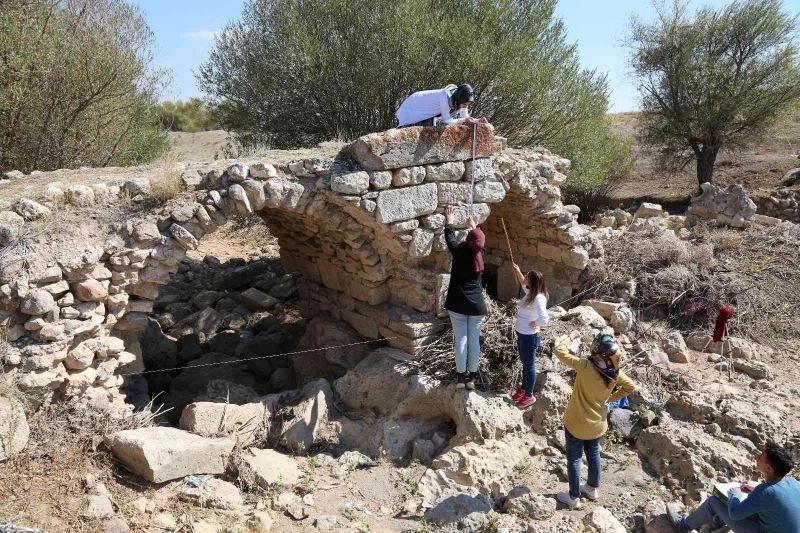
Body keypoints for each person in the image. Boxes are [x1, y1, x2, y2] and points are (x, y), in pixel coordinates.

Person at [553, 331, 637, 509]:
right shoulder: (615, 373)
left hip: (576, 423)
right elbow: (630, 386)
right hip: (598, 424)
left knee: (574, 459)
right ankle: (592, 489)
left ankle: (574, 497)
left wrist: (572, 336)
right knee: (593, 455)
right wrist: (611, 399)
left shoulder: (585, 366)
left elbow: (559, 352)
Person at [667, 443, 800, 533]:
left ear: (769, 468)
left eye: (760, 457)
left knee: (714, 502)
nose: (757, 457)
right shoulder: (793, 482)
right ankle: (714, 527)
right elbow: (778, 502)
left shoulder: (765, 492)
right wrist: (755, 491)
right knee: (749, 507)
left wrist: (735, 494)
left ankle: (682, 527)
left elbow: (735, 514)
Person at [443, 205, 486, 391]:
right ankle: (472, 379)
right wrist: (475, 227)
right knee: (474, 340)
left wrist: (450, 221)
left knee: (461, 339)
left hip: (457, 303)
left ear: (467, 241)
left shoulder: (459, 252)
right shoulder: (480, 254)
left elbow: (450, 238)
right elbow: (477, 242)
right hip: (476, 306)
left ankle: (461, 378)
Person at [510, 263, 549, 409]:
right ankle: (524, 388)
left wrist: (536, 322)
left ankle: (529, 395)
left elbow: (545, 318)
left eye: (527, 276)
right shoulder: (530, 293)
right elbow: (522, 283)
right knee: (525, 364)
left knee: (529, 366)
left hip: (529, 337)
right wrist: (518, 271)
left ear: (531, 282)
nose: (524, 278)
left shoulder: (538, 298)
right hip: (523, 334)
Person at [396, 83, 489, 128]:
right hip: (413, 107)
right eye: (464, 104)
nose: (465, 107)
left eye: (467, 105)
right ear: (459, 99)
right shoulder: (444, 97)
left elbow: (465, 116)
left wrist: (478, 121)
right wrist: (464, 120)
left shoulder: (460, 100)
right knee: (409, 130)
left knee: (429, 133)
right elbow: (447, 121)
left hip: (427, 113)